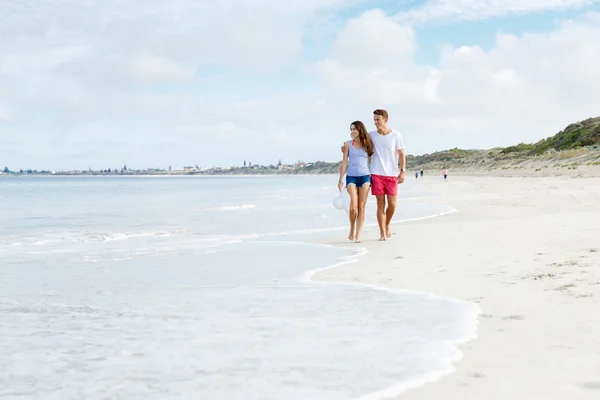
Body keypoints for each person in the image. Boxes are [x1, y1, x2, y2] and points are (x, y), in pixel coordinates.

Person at [343, 109, 406, 241]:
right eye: (374, 120)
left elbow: (401, 154)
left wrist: (402, 171)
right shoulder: (371, 135)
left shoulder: (396, 135)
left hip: (392, 174)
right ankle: (382, 233)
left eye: (378, 119)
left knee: (393, 204)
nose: (376, 122)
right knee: (380, 204)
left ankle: (387, 223)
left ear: (385, 120)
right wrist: (345, 148)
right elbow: (358, 140)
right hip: (376, 173)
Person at [338, 121, 374, 243]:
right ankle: (352, 228)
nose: (352, 131)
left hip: (365, 176)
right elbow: (344, 163)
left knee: (361, 207)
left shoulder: (368, 144)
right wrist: (340, 179)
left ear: (360, 130)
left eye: (355, 129)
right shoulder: (347, 144)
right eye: (351, 129)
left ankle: (358, 235)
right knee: (353, 207)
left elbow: (371, 161)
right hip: (351, 177)